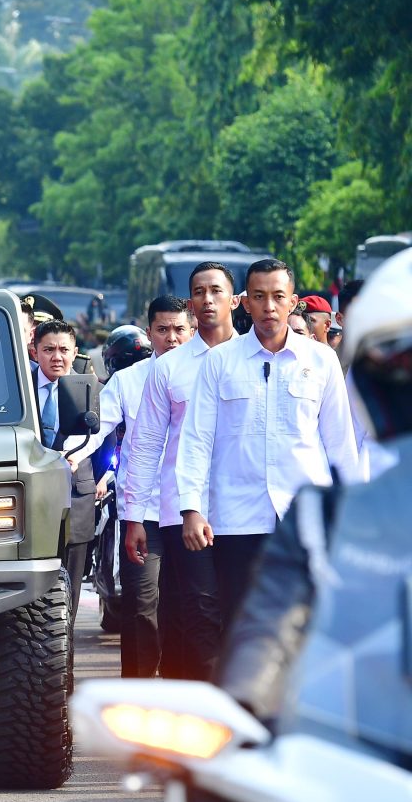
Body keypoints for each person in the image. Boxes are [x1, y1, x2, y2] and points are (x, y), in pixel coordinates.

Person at [219, 249, 412, 767]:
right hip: (358, 752)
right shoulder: (320, 521)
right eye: (403, 373)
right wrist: (242, 708)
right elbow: (268, 628)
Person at [177, 258, 362, 630]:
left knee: (305, 625)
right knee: (239, 625)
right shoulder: (220, 363)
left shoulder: (321, 360)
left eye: (278, 296)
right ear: (246, 303)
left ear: (293, 302)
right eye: (259, 297)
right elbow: (197, 439)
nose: (269, 306)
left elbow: (341, 444)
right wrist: (192, 509)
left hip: (305, 518)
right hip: (236, 518)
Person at [118, 263, 238, 681]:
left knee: (238, 613)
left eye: (217, 291)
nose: (208, 300)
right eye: (199, 292)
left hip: (247, 513)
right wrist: (134, 516)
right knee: (192, 614)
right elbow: (146, 446)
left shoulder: (258, 359)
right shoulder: (169, 368)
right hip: (179, 513)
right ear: (191, 303)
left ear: (234, 300)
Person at [69, 300, 193, 677]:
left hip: (195, 511)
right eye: (162, 330)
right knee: (140, 603)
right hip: (144, 514)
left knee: (189, 605)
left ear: (190, 331)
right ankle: (136, 692)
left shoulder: (209, 373)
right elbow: (96, 429)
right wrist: (68, 454)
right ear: (149, 332)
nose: (171, 339)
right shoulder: (128, 380)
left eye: (178, 330)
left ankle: (183, 689)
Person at [32, 319, 96, 622]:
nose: (56, 357)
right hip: (33, 500)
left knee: (70, 587)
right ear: (35, 351)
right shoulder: (21, 388)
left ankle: (65, 664)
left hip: (77, 496)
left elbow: (104, 437)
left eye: (63, 350)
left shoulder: (91, 389)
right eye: (49, 350)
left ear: (75, 352)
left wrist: (100, 477)